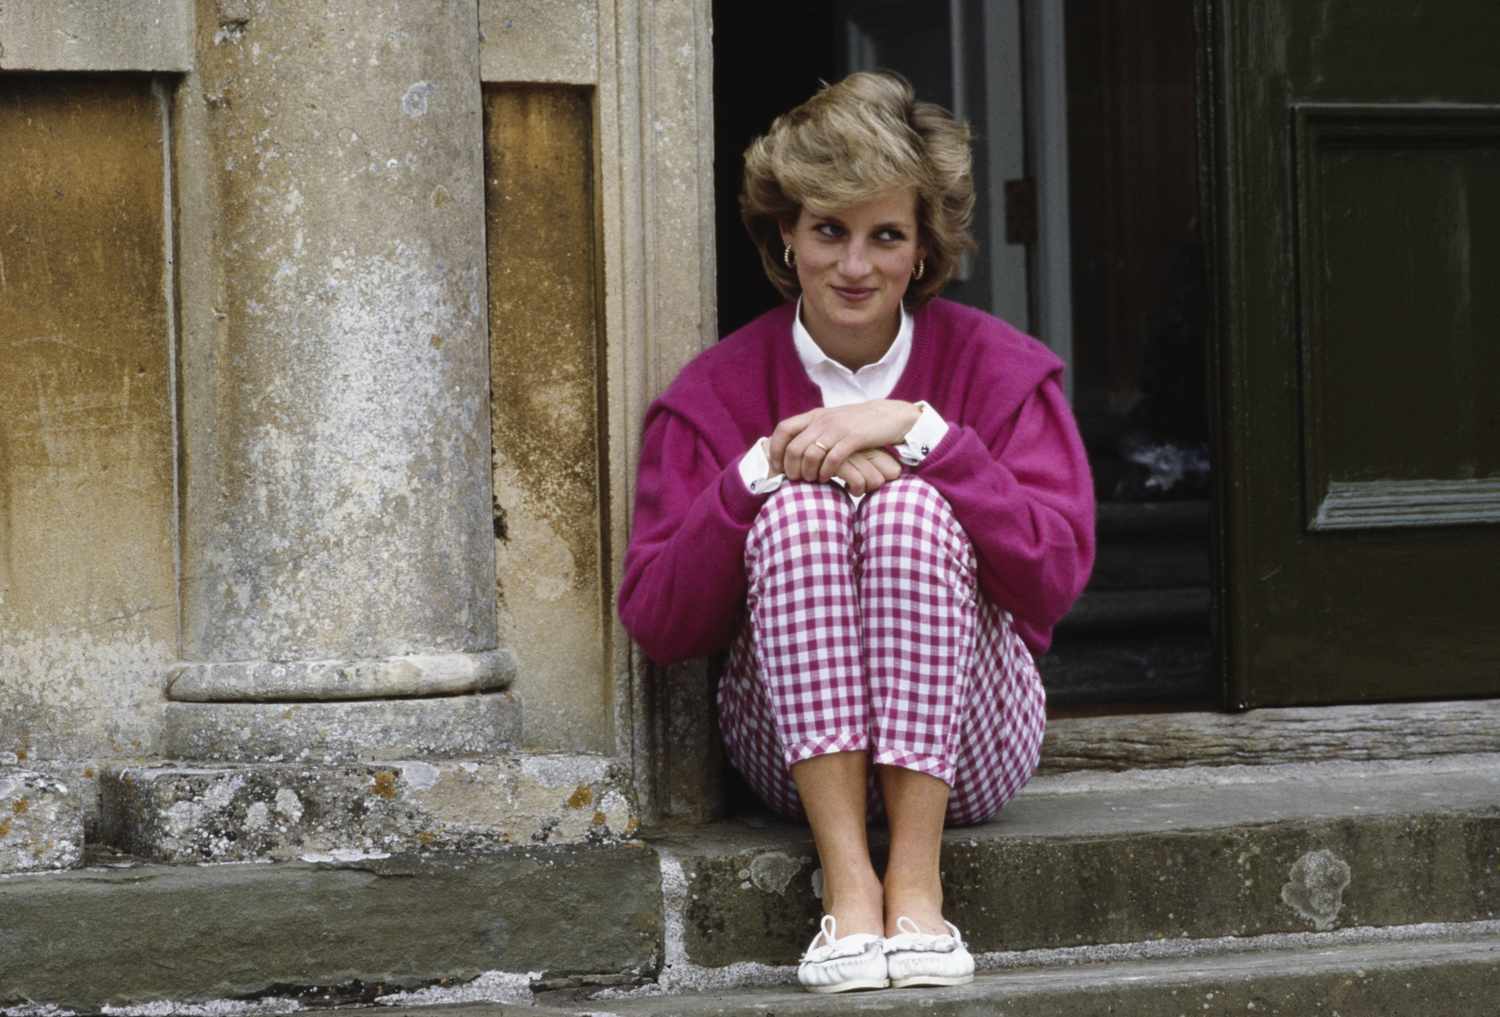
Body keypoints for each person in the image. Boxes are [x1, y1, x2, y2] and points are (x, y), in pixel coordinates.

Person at [617, 71, 1095, 993]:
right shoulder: (713, 393)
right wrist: (765, 469)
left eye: (886, 236)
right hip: (789, 757)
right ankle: (847, 882)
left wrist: (926, 437)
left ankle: (916, 880)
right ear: (786, 235)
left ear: (923, 249)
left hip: (973, 745)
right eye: (830, 230)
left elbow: (1053, 579)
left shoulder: (1000, 371)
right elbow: (660, 622)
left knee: (912, 509)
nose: (855, 266)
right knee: (798, 510)